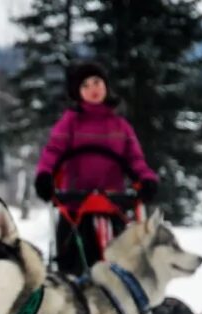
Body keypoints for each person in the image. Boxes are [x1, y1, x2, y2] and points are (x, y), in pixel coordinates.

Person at [34, 61, 159, 275]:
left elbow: (134, 159)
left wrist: (146, 179)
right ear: (78, 93)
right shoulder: (70, 122)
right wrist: (44, 176)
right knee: (71, 264)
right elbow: (53, 151)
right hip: (74, 208)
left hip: (111, 206)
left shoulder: (120, 126)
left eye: (97, 82)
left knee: (117, 264)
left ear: (106, 87)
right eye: (86, 86)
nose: (93, 89)